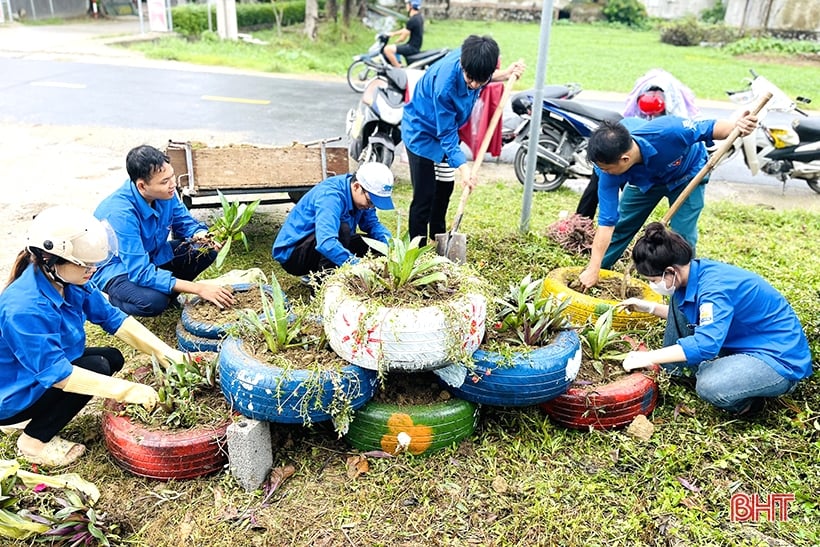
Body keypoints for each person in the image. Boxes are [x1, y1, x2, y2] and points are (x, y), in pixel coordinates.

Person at [0, 206, 187, 467]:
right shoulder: (24, 308)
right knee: (97, 367)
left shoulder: (69, 281)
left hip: (33, 373)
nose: (92, 270)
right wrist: (128, 390)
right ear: (50, 260)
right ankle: (33, 441)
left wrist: (169, 355)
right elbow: (59, 375)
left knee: (110, 358)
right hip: (11, 394)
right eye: (84, 264)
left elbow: (115, 320)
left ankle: (30, 418)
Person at [618, 222, 812, 415]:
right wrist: (650, 308)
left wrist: (648, 356)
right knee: (679, 300)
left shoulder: (714, 291)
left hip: (777, 359)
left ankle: (748, 406)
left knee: (710, 385)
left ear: (670, 271)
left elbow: (706, 344)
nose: (652, 285)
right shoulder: (693, 274)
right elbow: (696, 315)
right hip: (744, 342)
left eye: (653, 280)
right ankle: (680, 372)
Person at [577, 110, 759, 290]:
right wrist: (593, 268)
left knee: (683, 235)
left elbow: (710, 128)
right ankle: (599, 271)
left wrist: (737, 126)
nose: (604, 172)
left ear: (625, 159)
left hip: (687, 175)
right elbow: (607, 224)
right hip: (646, 183)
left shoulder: (669, 131)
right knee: (623, 226)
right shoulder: (608, 172)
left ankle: (685, 287)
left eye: (606, 168)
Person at [401, 34, 525, 244]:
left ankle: (438, 237)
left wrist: (504, 74)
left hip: (449, 130)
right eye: (470, 79)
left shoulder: (476, 58)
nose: (475, 85)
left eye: (481, 80)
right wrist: (465, 169)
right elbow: (446, 134)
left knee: (445, 187)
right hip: (422, 131)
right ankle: (416, 249)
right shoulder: (445, 86)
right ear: (462, 65)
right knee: (425, 195)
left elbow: (481, 76)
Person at [93, 145, 235, 317]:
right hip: (119, 269)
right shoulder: (120, 213)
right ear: (142, 186)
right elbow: (140, 271)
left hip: (152, 255)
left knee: (205, 250)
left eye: (172, 176)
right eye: (164, 181)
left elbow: (185, 223)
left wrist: (201, 235)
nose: (172, 184)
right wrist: (199, 289)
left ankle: (167, 292)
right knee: (153, 302)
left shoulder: (166, 193)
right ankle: (110, 299)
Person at [576, 68, 699, 220]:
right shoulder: (608, 167)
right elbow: (606, 219)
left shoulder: (670, 129)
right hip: (624, 154)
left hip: (682, 172)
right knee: (602, 186)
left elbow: (705, 129)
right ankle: (580, 222)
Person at [272, 162, 395, 276]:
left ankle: (323, 270)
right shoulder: (330, 197)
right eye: (370, 202)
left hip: (321, 241)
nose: (371, 207)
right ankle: (322, 284)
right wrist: (356, 265)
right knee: (343, 230)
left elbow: (372, 224)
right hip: (294, 254)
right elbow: (326, 243)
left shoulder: (361, 199)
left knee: (376, 244)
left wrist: (391, 246)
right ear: (357, 186)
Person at [383, 1, 424, 68]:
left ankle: (398, 68)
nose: (406, 6)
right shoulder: (419, 17)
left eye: (407, 4)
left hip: (411, 48)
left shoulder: (412, 20)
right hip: (415, 46)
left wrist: (397, 40)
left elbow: (403, 38)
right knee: (394, 48)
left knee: (387, 49)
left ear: (411, 6)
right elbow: (406, 30)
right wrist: (393, 34)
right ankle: (398, 64)